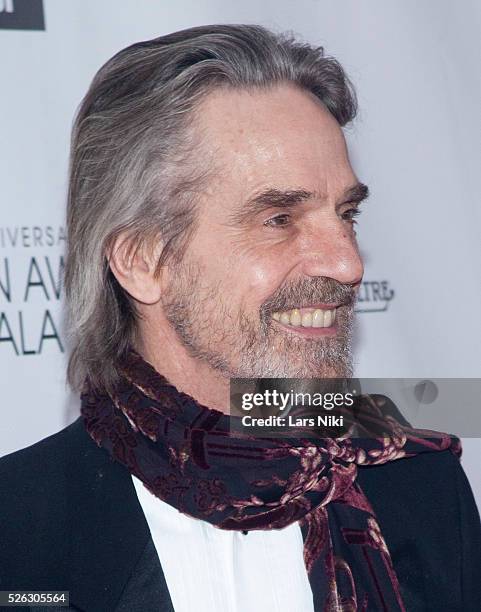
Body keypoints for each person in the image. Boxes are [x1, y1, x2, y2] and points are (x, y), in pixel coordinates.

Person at [1, 24, 480, 612]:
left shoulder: (416, 484)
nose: (348, 263)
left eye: (346, 214)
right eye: (279, 218)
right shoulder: (19, 528)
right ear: (141, 260)